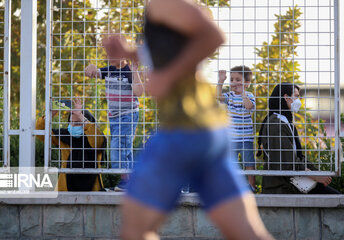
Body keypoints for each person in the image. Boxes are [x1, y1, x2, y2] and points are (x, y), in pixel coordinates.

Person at [102, 0, 273, 239]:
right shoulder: (159, 9)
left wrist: (166, 76)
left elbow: (213, 36)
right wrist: (130, 53)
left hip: (183, 131)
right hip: (206, 131)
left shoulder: (164, 3)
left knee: (134, 228)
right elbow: (174, 51)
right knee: (245, 231)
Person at [257, 83, 340, 194]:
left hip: (292, 183)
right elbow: (287, 163)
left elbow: (298, 157)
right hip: (282, 187)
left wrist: (317, 173)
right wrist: (314, 176)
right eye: (296, 96)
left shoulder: (285, 121)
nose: (299, 100)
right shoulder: (276, 124)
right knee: (335, 198)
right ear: (286, 97)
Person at [85, 42, 144, 191]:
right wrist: (90, 68)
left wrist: (135, 71)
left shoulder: (128, 71)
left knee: (118, 148)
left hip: (128, 115)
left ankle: (125, 182)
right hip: (114, 117)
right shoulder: (109, 71)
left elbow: (139, 92)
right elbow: (91, 74)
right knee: (125, 148)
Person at [36, 98, 106, 191]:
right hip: (65, 189)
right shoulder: (64, 137)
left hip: (93, 190)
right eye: (71, 122)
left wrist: (80, 115)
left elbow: (97, 141)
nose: (73, 126)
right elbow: (40, 131)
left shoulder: (93, 137)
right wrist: (51, 113)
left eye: (78, 123)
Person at [217, 66, 256, 191]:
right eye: (232, 79)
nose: (234, 82)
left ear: (247, 83)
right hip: (231, 138)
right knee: (231, 163)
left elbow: (249, 106)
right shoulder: (230, 95)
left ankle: (252, 186)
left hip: (246, 137)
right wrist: (221, 81)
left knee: (249, 163)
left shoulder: (249, 95)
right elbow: (218, 97)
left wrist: (243, 92)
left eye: (238, 79)